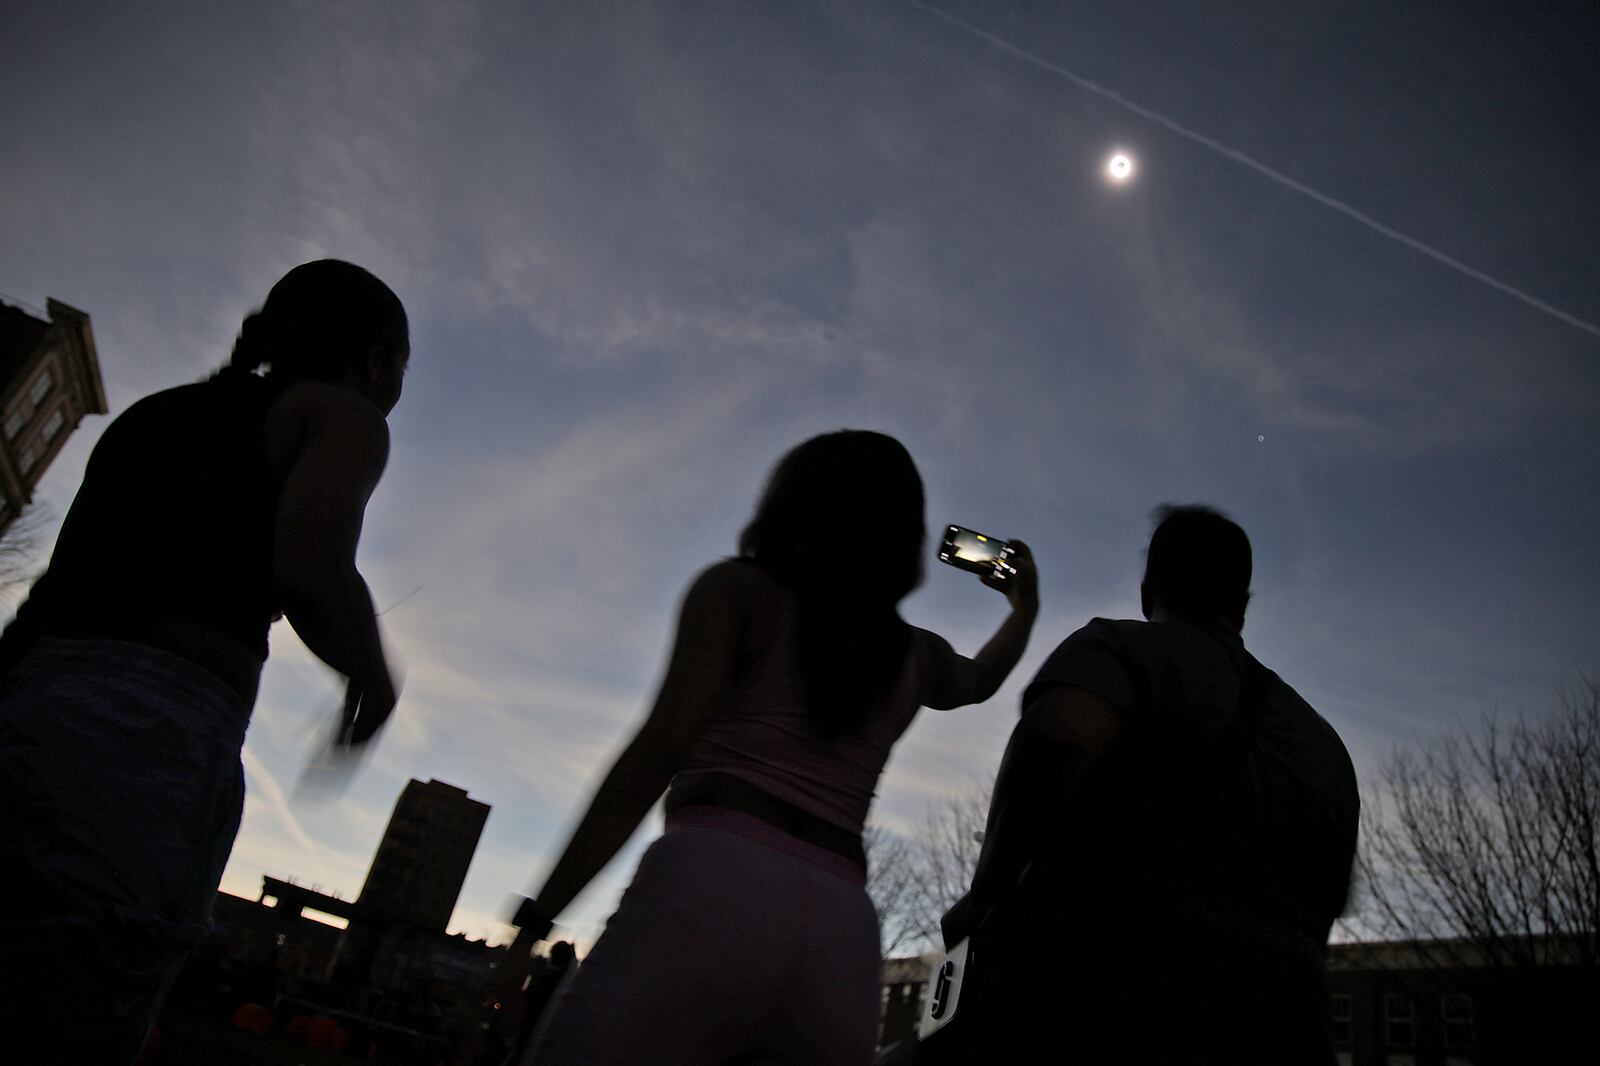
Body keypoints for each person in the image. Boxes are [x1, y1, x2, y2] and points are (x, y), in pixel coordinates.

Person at [510, 429, 1039, 1066]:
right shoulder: (914, 655)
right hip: (842, 931)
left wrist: (540, 916)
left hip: (709, 882)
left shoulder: (738, 593)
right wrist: (1023, 608)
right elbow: (980, 681)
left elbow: (660, 749)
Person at [0, 259, 409, 1064]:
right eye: (399, 368)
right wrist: (372, 676)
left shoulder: (154, 415)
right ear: (373, 360)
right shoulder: (341, 414)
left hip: (30, 700)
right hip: (151, 733)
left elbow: (55, 584)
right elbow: (312, 562)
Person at [924, 504, 1358, 1065]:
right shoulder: (1326, 745)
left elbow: (1058, 742)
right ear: (1243, 605)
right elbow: (1330, 894)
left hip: (1114, 1006)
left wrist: (986, 898)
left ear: (1149, 585)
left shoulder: (1118, 650)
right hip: (1287, 1029)